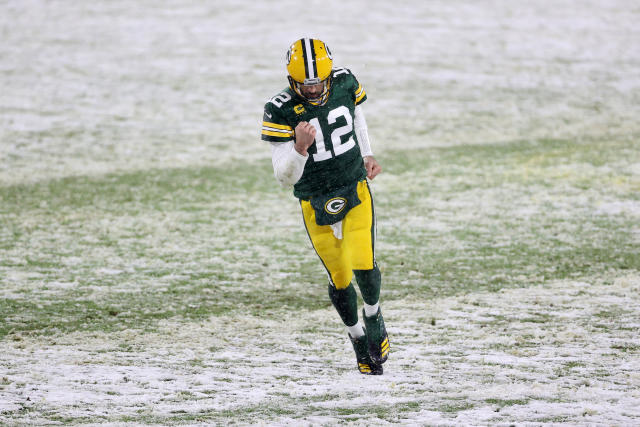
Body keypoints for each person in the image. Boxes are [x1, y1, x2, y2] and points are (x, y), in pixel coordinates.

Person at [261, 38, 389, 375]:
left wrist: (367, 153)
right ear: (292, 81)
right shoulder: (280, 109)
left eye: (319, 81)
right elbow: (283, 177)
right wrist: (299, 149)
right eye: (306, 83)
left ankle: (374, 313)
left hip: (353, 183)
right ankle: (357, 336)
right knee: (340, 276)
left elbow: (356, 116)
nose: (314, 88)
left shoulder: (344, 81)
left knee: (363, 261)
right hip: (314, 197)